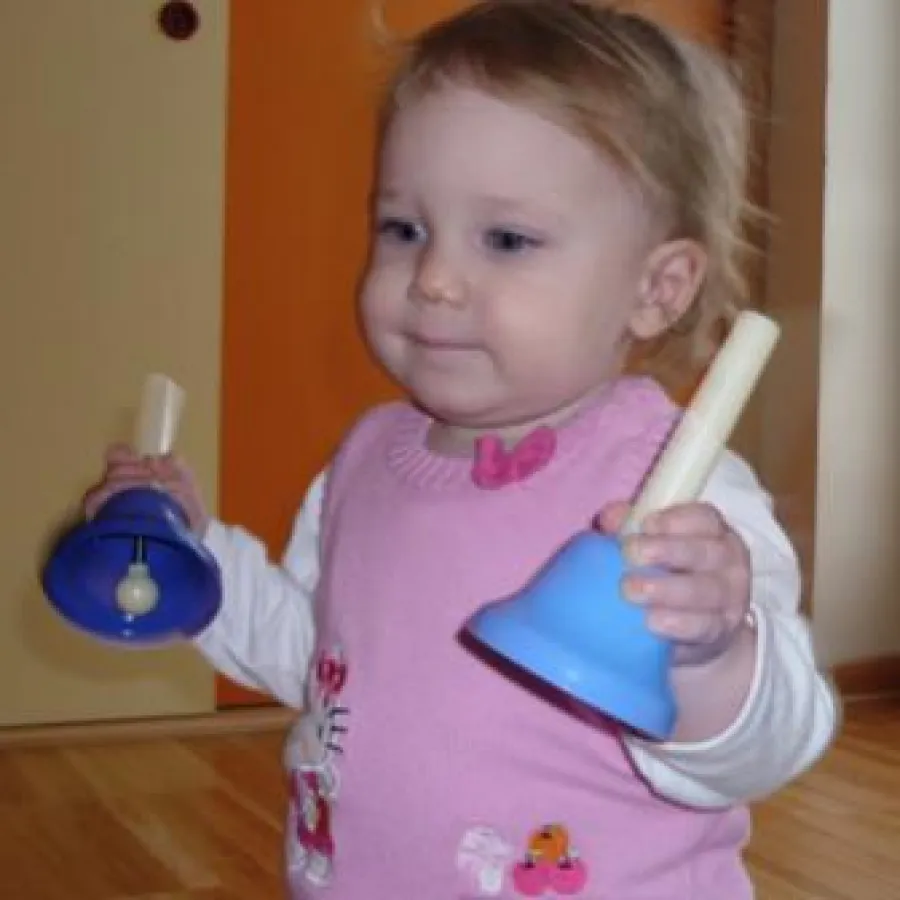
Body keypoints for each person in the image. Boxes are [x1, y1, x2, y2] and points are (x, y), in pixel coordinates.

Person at [85, 2, 838, 897]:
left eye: (507, 240)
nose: (433, 278)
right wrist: (193, 552)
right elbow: (322, 662)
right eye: (404, 228)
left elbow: (771, 747)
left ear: (657, 289)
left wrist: (712, 658)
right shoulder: (365, 460)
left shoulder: (679, 498)